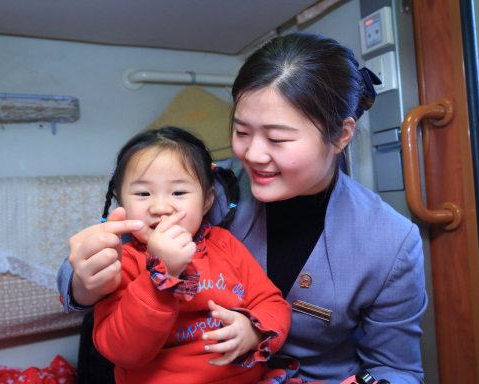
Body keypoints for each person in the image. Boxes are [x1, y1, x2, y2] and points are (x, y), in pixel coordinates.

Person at [58, 32, 427, 384]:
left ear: (341, 135)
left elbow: (397, 368)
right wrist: (81, 284)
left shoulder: (390, 241)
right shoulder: (204, 188)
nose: (252, 155)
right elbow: (117, 254)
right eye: (242, 132)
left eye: (278, 138)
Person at [89, 126, 296, 384]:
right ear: (122, 203)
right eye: (143, 194)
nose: (161, 207)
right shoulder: (122, 262)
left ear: (207, 201)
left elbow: (273, 303)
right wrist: (161, 273)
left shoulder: (225, 244)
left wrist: (254, 330)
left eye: (178, 192)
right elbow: (121, 351)